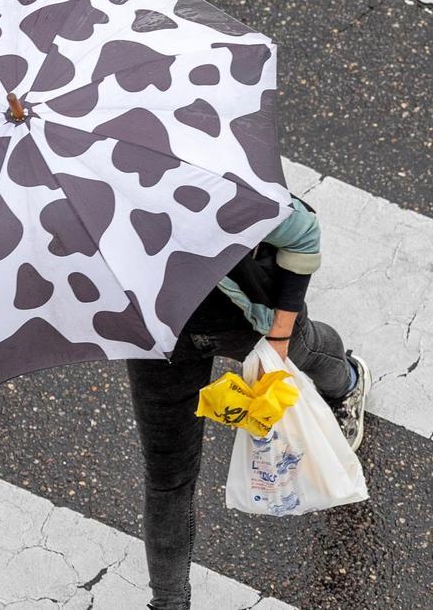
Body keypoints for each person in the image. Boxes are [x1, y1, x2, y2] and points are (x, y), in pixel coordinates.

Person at [125, 192, 370, 610]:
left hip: (250, 316)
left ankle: (347, 382)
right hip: (159, 344)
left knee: (303, 351)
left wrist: (278, 338)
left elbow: (303, 230)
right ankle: (169, 604)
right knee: (167, 476)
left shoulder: (199, 181)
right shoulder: (78, 219)